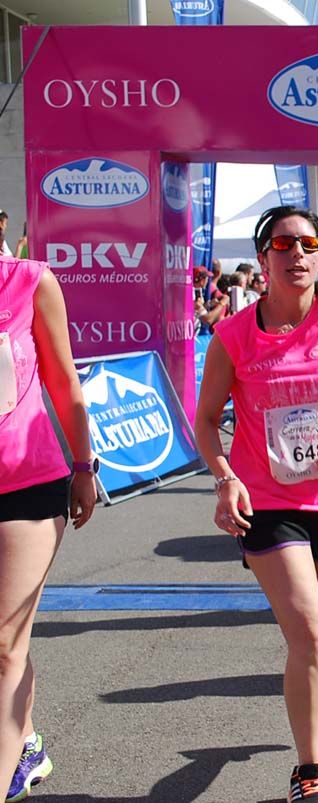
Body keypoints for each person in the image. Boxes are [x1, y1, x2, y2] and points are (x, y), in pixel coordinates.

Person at [194, 206, 318, 803]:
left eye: (307, 244)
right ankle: (309, 771)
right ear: (264, 258)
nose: (296, 253)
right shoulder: (234, 335)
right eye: (283, 244)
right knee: (309, 633)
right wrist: (224, 476)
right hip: (269, 502)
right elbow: (204, 421)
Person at [1, 256, 97, 803]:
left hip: (25, 482)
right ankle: (26, 744)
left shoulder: (29, 281)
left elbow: (62, 377)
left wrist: (84, 468)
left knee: (5, 643)